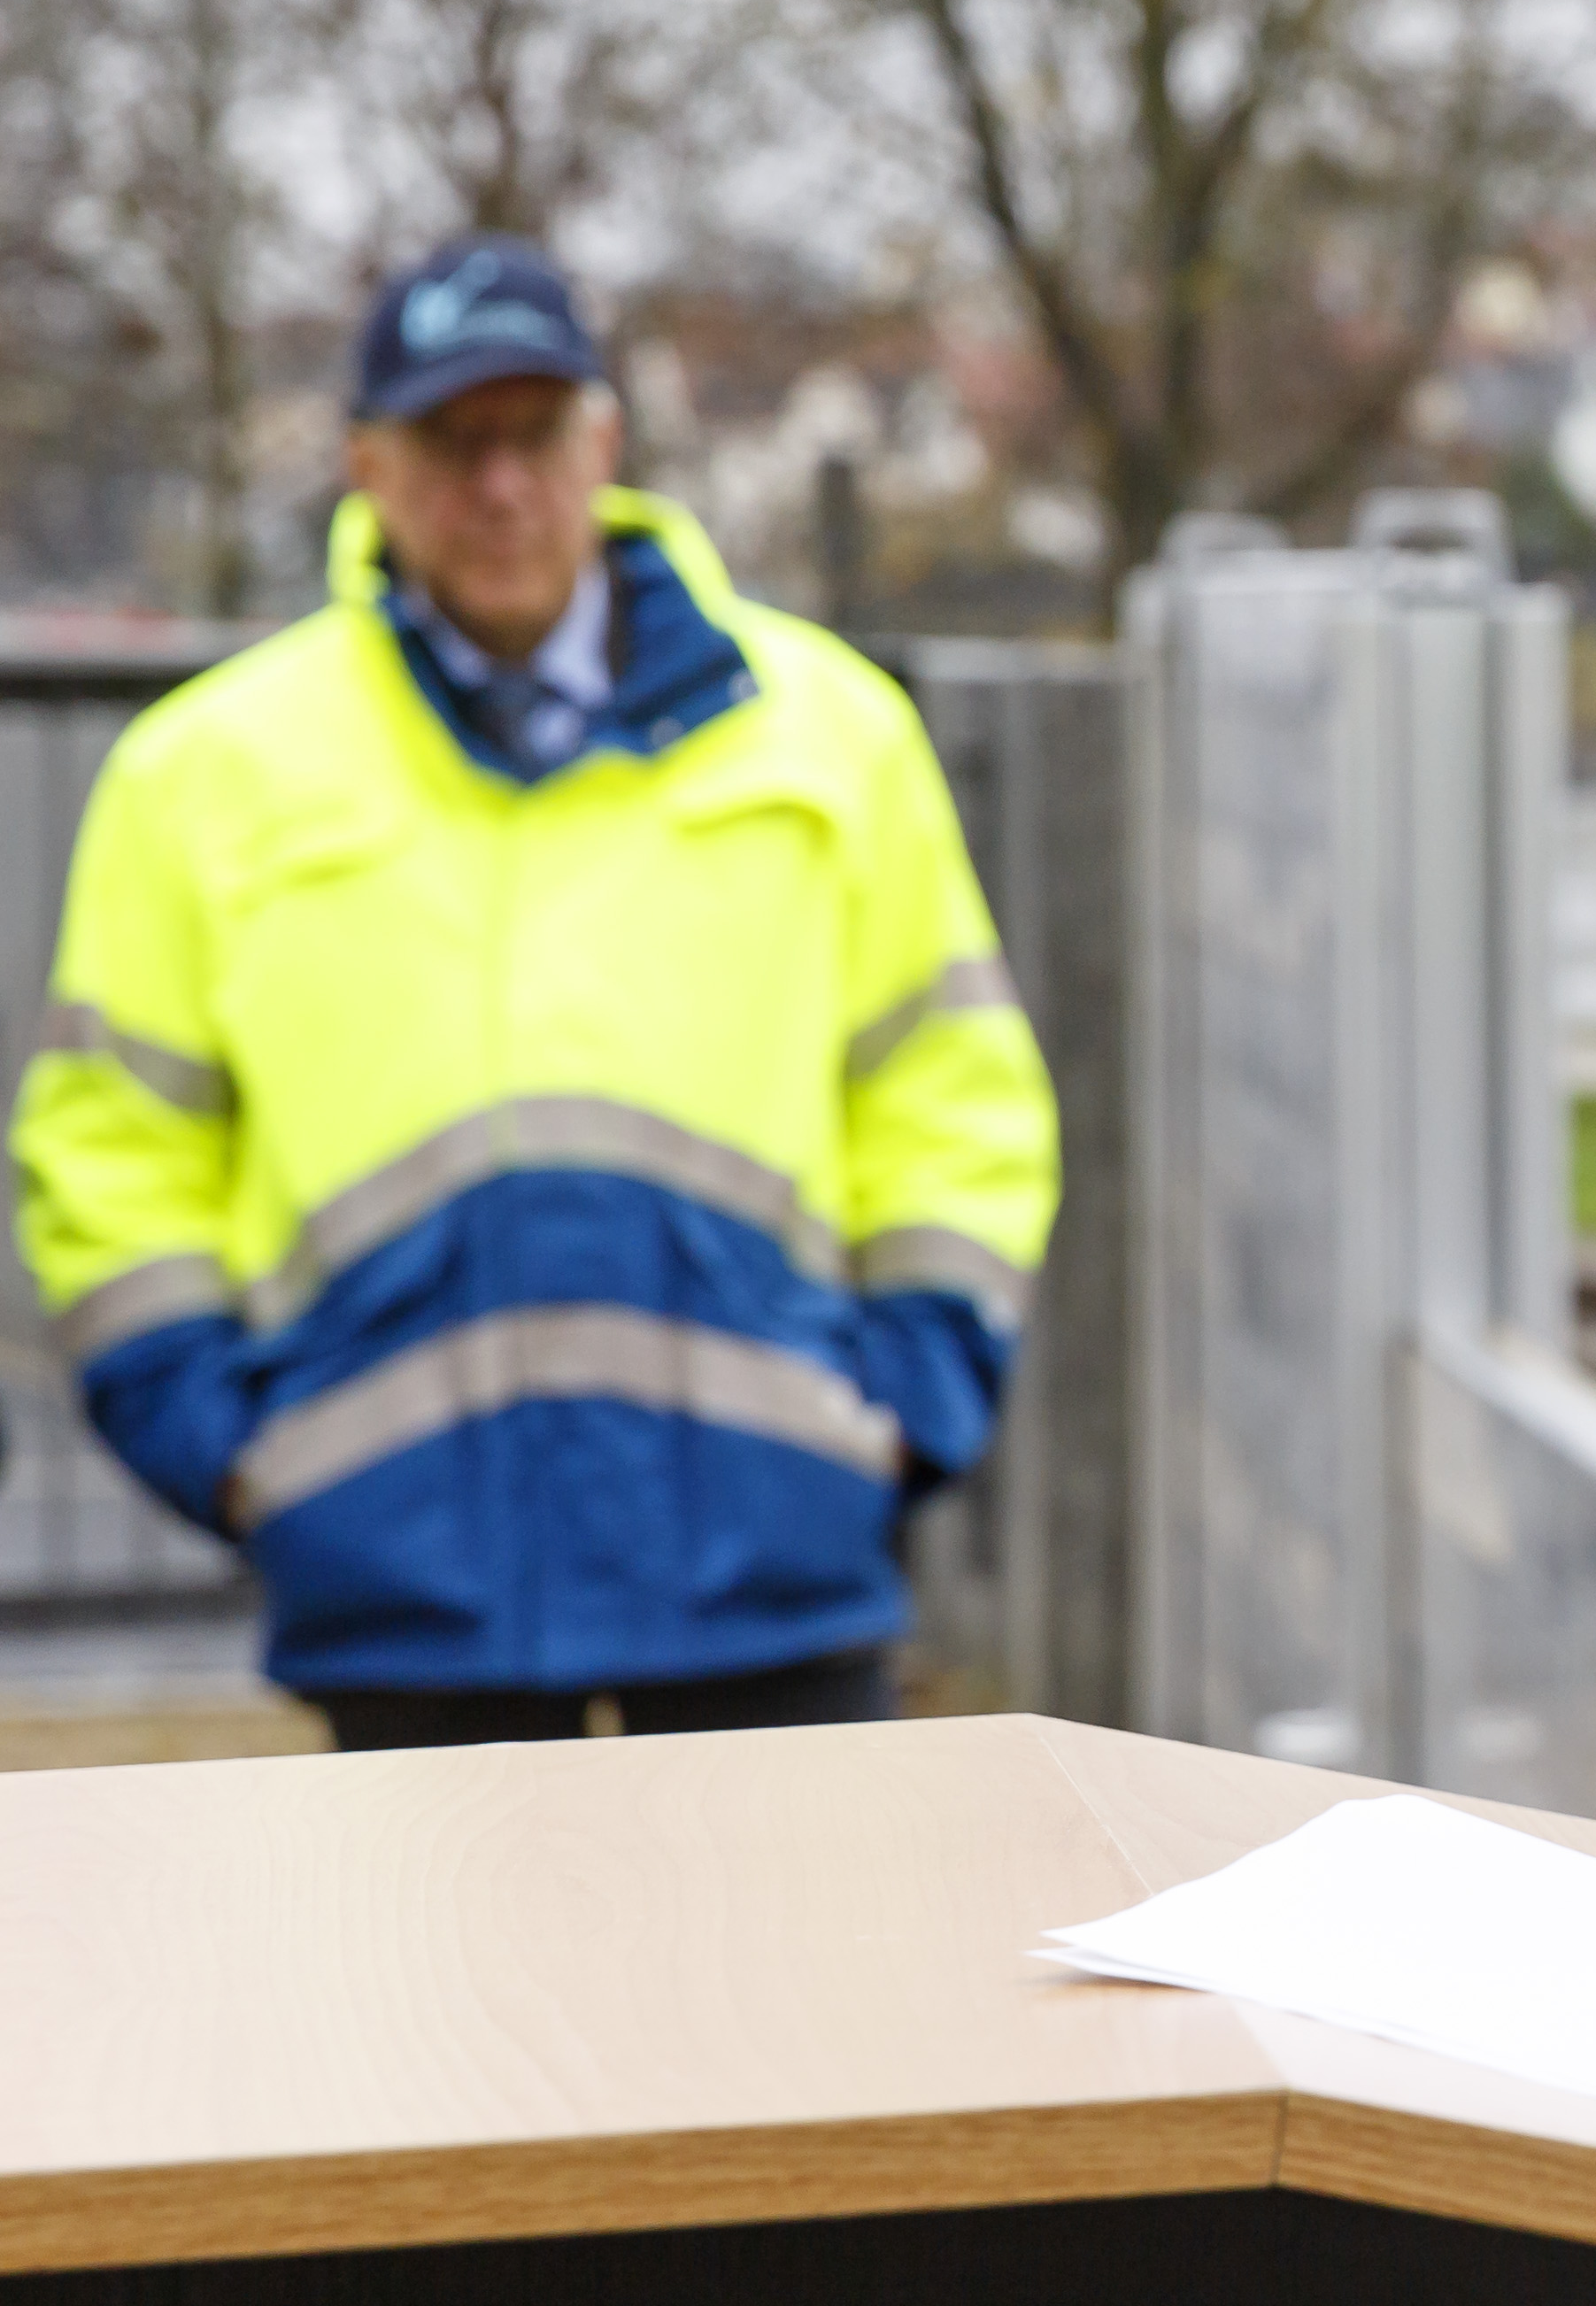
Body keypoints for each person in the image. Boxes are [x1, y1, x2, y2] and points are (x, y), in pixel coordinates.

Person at [12, 237, 1060, 1749]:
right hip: (399, 1569)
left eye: (533, 434)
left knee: (780, 1986)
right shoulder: (205, 774)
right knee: (445, 1992)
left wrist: (906, 1400)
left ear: (606, 443)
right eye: (451, 442)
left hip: (776, 1540)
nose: (497, 485)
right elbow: (113, 1152)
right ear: (367, 463)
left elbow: (951, 1095)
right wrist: (229, 1450)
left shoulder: (831, 736)